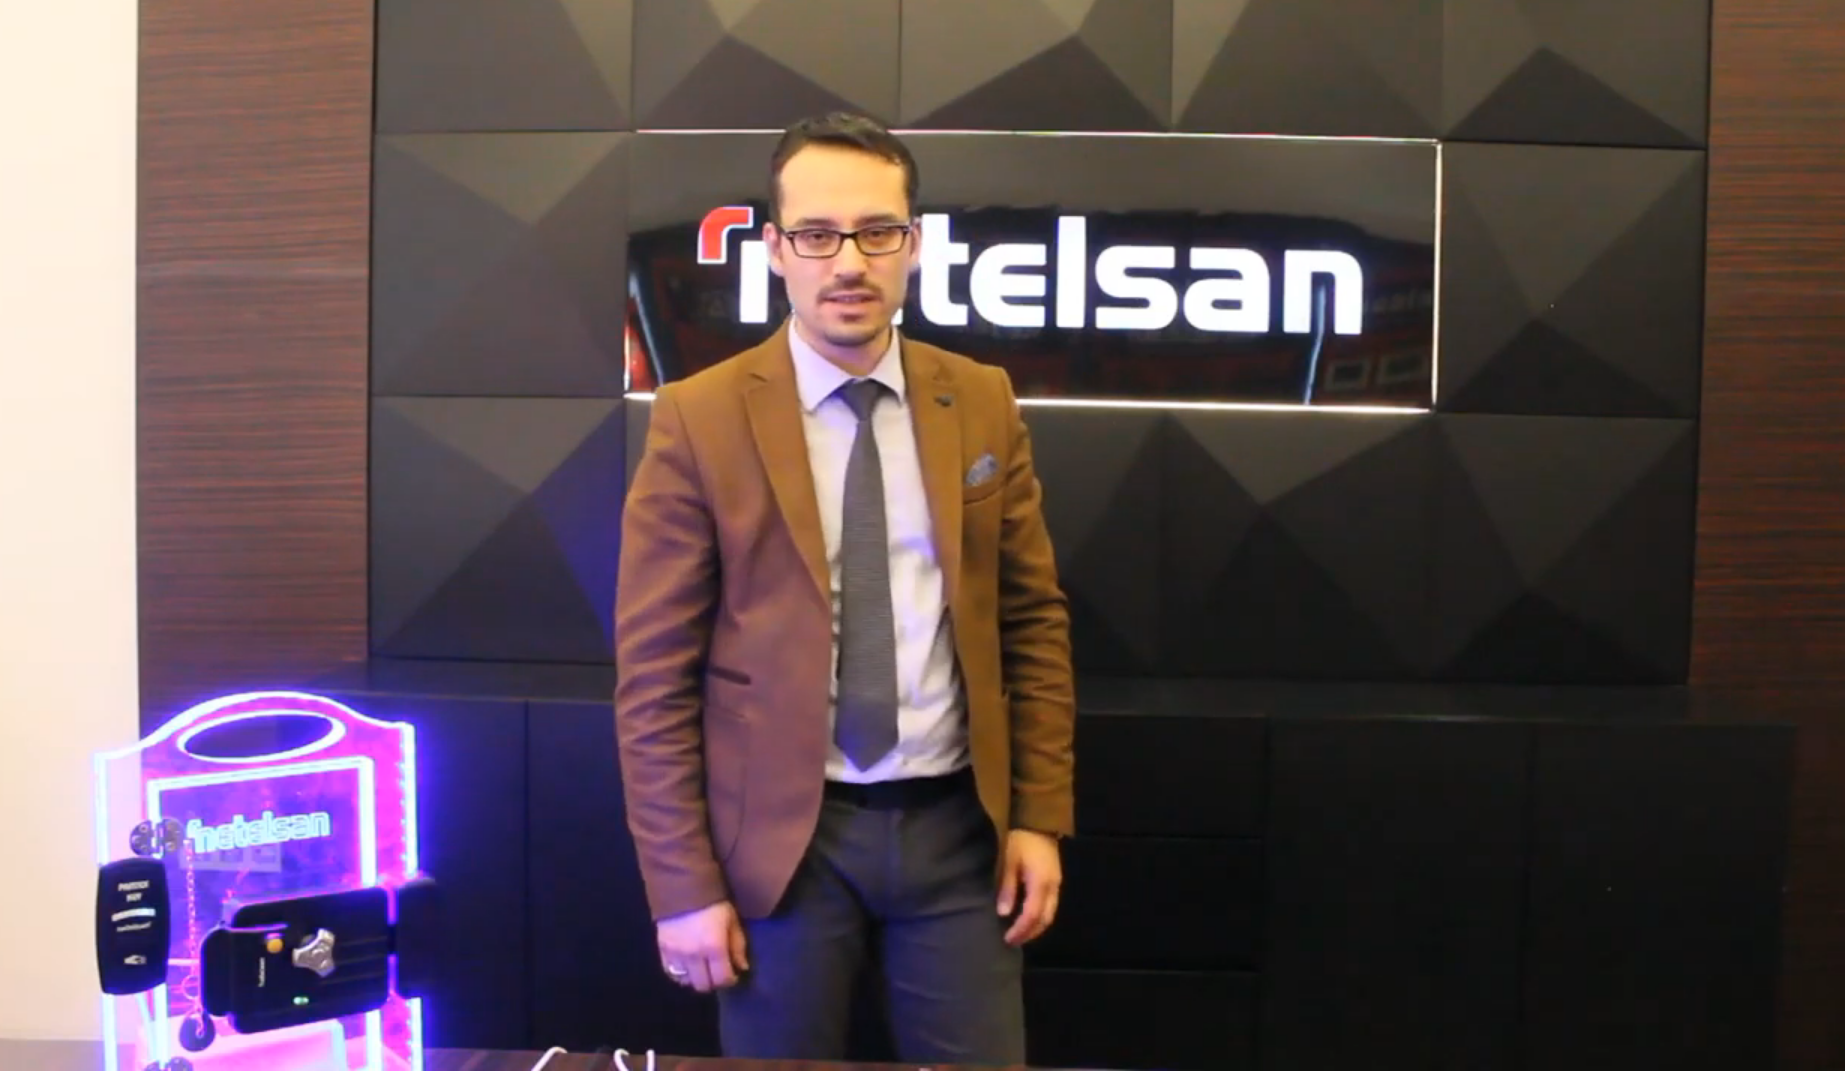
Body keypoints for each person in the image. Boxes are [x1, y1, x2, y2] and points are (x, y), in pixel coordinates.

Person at [613, 111, 1076, 1065]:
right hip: (778, 843)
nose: (849, 263)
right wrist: (681, 884)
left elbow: (1030, 621)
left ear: (914, 243)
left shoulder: (980, 398)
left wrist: (1039, 813)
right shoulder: (699, 417)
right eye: (818, 235)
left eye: (877, 232)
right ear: (776, 250)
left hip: (959, 834)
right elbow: (654, 676)